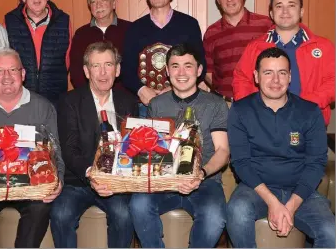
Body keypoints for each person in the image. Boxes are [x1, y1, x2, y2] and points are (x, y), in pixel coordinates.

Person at [227, 47, 335, 248]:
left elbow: (316, 163)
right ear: (256, 77)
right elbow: (241, 162)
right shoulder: (240, 110)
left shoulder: (310, 111)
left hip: (301, 189)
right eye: (268, 73)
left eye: (282, 73)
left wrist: (291, 205)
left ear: (290, 76)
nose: (275, 80)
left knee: (331, 232)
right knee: (237, 212)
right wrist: (273, 203)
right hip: (256, 188)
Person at [129, 43, 229, 248]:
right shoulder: (156, 105)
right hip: (163, 180)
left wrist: (201, 173)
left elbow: (223, 151)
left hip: (204, 181)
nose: (181, 72)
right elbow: (150, 148)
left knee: (214, 217)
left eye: (188, 66)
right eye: (175, 66)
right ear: (167, 71)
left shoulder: (216, 104)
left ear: (199, 70)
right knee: (138, 204)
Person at [0, 48, 64, 248]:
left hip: (30, 187)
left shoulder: (43, 107)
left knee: (39, 209)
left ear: (23, 74)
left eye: (13, 70)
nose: (6, 77)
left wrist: (57, 180)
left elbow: (56, 152)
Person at [50, 41, 138, 247]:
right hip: (79, 180)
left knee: (123, 215)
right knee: (60, 214)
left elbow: (133, 147)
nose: (103, 72)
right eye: (96, 66)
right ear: (86, 71)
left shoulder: (129, 102)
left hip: (115, 182)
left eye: (108, 64)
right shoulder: (69, 102)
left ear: (117, 70)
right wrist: (92, 174)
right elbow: (69, 150)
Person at [232, 0, 335, 125]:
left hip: (309, 122)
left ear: (301, 11)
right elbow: (241, 79)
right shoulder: (255, 47)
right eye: (279, 6)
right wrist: (255, 108)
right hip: (264, 124)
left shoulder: (323, 46)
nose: (285, 11)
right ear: (271, 14)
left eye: (291, 5)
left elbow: (332, 81)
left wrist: (304, 105)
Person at [122, 0, 206, 115]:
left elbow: (201, 65)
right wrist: (141, 90)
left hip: (182, 101)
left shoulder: (189, 24)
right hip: (145, 104)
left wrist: (175, 88)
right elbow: (125, 69)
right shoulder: (134, 29)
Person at [203, 0, 272, 103]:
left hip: (260, 104)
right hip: (225, 106)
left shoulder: (266, 25)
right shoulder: (211, 33)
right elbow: (208, 72)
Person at [5, 0, 71, 107]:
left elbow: (67, 60)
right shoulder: (10, 21)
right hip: (20, 98)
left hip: (55, 99)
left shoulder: (64, 20)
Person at [69, 0, 131, 89]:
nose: (98, 5)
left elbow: (134, 69)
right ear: (90, 6)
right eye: (94, 2)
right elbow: (76, 72)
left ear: (114, 3)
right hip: (90, 99)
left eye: (103, 0)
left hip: (124, 99)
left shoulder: (130, 30)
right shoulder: (81, 34)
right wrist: (89, 97)